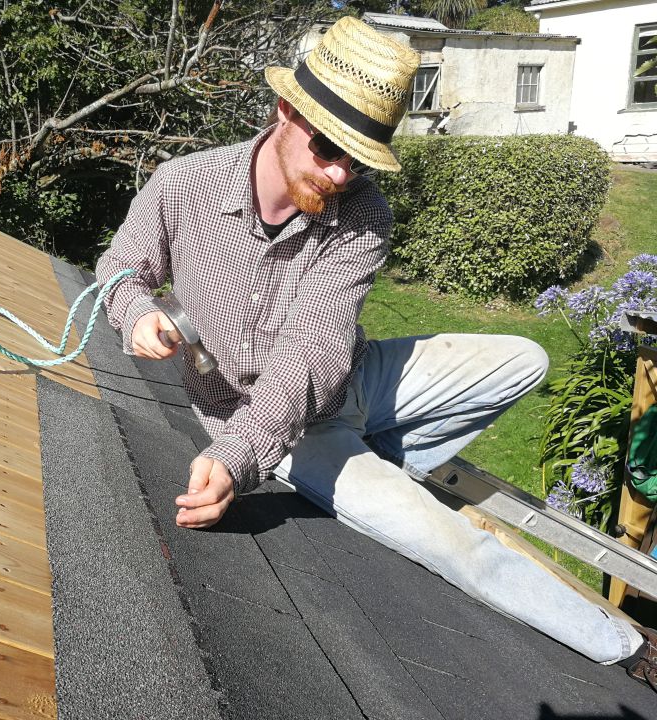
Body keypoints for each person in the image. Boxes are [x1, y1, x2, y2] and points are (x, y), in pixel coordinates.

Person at [95, 16, 657, 688]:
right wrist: (136, 312)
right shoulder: (185, 184)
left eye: (358, 158)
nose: (339, 173)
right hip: (288, 427)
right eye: (328, 147)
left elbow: (315, 348)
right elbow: (121, 265)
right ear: (284, 110)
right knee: (455, 544)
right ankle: (624, 646)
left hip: (346, 378)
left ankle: (390, 460)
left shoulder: (363, 214)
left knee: (524, 361)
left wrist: (240, 456)